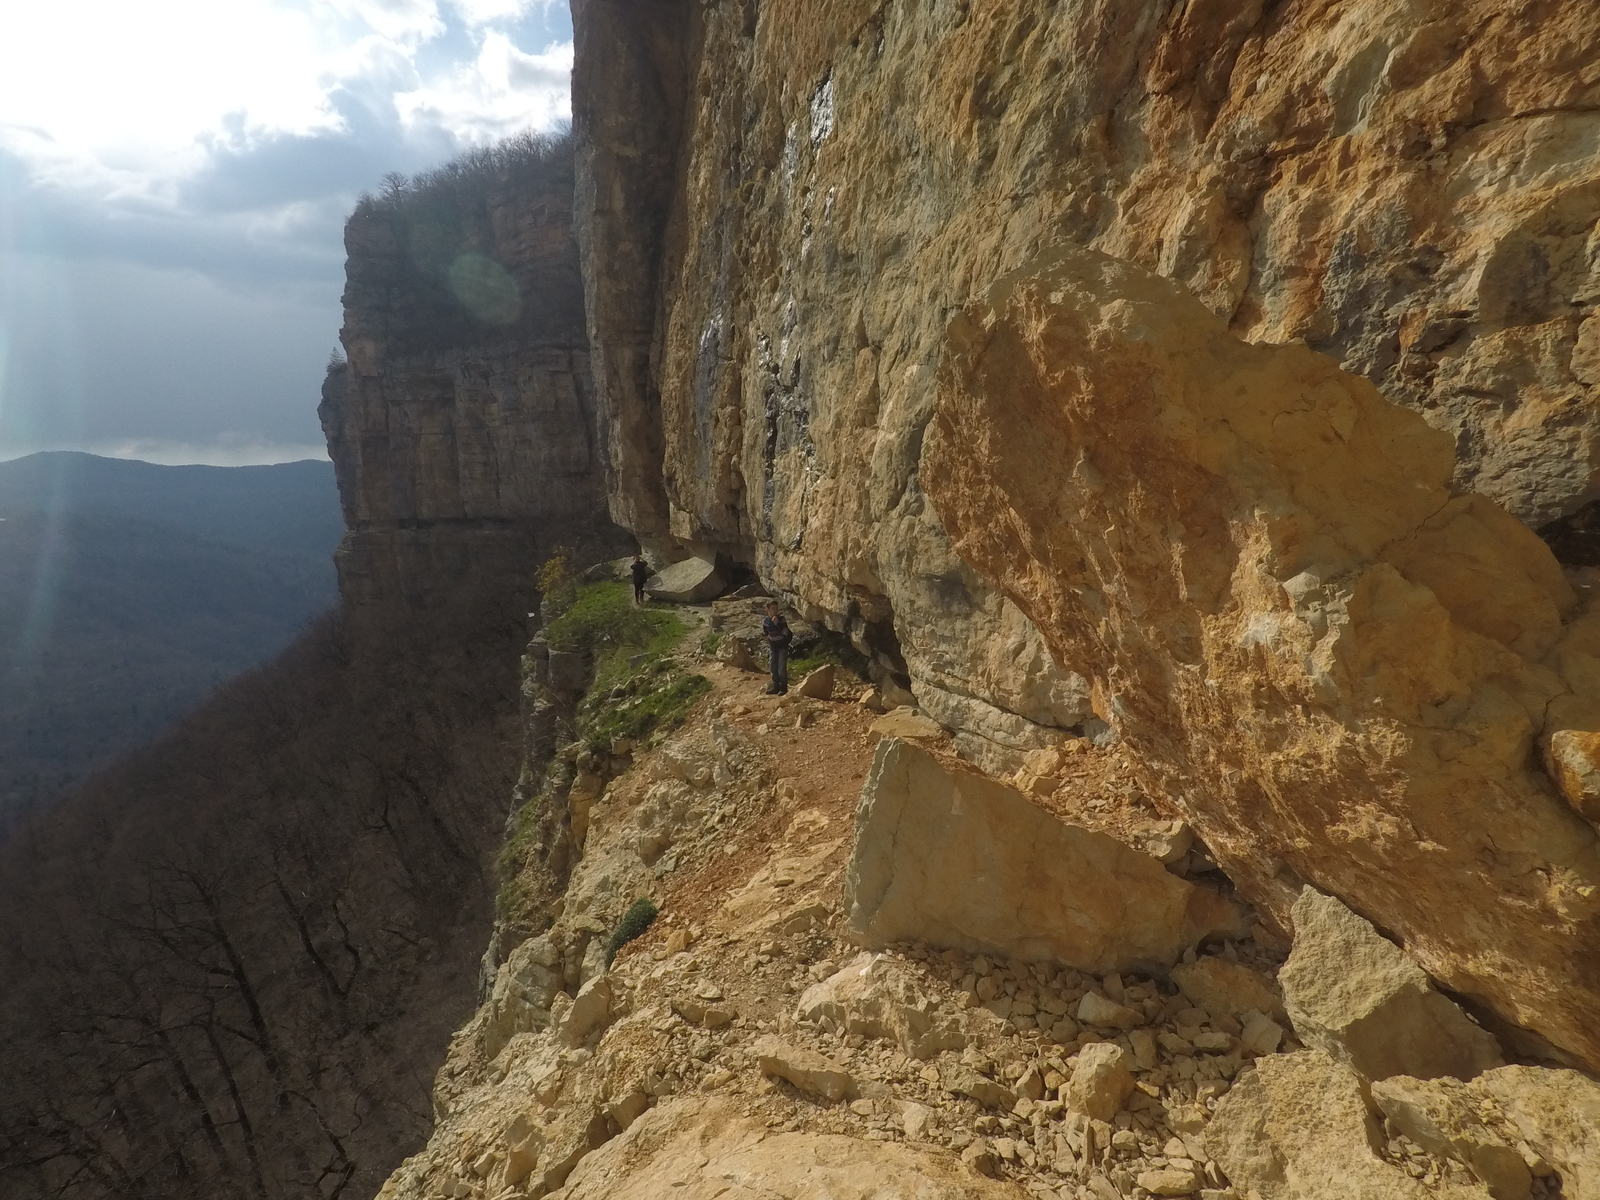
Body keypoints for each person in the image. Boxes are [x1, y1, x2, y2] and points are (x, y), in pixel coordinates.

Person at [762, 600, 792, 695]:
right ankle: (776, 686)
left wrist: (777, 624)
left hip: (782, 646)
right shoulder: (766, 621)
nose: (775, 611)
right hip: (773, 647)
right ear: (768, 610)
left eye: (776, 609)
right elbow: (766, 633)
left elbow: (785, 632)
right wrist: (765, 637)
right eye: (773, 609)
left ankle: (784, 687)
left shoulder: (781, 619)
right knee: (772, 666)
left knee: (781, 667)